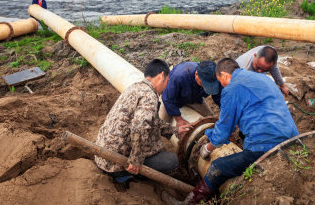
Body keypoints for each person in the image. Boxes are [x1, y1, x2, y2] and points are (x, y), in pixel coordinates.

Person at [163, 58, 299, 204]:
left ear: (225, 75)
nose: (221, 86)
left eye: (220, 81)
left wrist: (208, 148)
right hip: (293, 137)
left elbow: (224, 129)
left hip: (265, 146)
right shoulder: (261, 78)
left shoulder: (231, 88)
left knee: (217, 166)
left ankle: (187, 203)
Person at [95, 59, 192, 188]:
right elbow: (140, 126)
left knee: (152, 142)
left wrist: (174, 130)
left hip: (102, 155)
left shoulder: (135, 88)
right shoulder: (149, 96)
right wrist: (136, 160)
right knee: (172, 161)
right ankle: (126, 174)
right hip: (115, 163)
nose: (167, 86)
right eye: (168, 81)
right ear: (161, 75)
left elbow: (151, 122)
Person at [160, 61, 222, 128]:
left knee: (211, 119)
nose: (206, 87)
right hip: (171, 99)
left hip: (194, 98)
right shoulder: (179, 76)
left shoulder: (214, 78)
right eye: (204, 84)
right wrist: (179, 119)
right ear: (196, 74)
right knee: (162, 125)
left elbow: (218, 96)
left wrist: (225, 113)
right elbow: (168, 98)